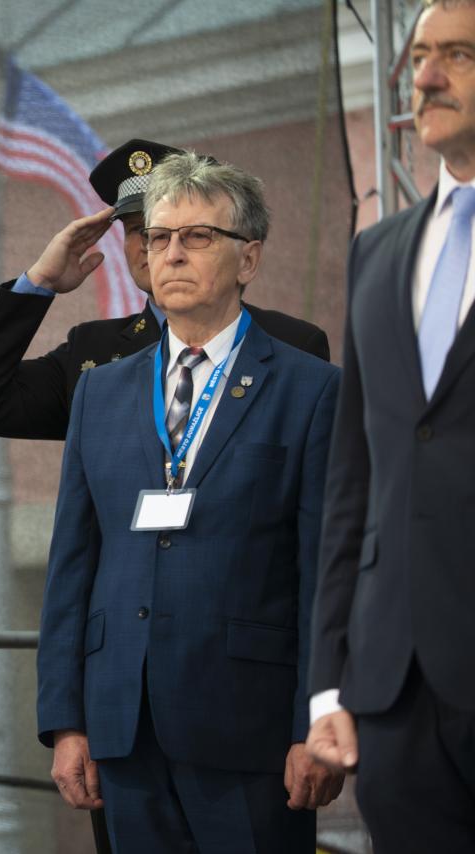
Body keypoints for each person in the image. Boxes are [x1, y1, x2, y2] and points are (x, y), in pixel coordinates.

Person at [37, 152, 344, 851]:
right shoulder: (100, 391)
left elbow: (326, 576)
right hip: (123, 728)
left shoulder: (312, 389)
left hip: (252, 730)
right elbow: (71, 569)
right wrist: (66, 721)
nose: (171, 253)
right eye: (159, 237)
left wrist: (316, 721)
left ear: (248, 258)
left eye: (198, 236)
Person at [307, 1, 475, 848]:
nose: (427, 78)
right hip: (392, 691)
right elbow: (353, 482)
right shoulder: (377, 252)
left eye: (459, 55)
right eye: (419, 57)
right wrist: (327, 684)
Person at [0, 138, 329, 441]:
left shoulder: (291, 344)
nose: (159, 247)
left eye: (192, 234)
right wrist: (39, 282)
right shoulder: (92, 354)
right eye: (141, 231)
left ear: (245, 256)